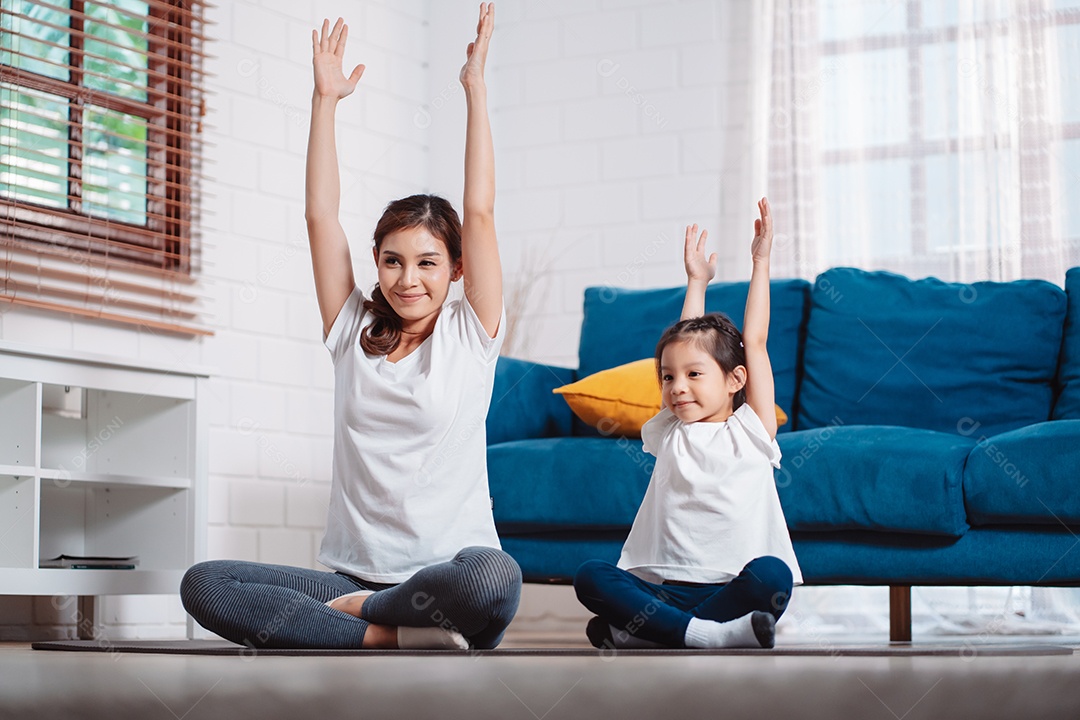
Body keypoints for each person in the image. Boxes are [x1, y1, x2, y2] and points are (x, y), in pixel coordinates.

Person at [181, 4, 522, 650]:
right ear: (376, 263)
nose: (407, 278)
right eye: (392, 261)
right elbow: (320, 216)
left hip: (449, 577)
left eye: (427, 262)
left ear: (456, 269)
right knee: (205, 582)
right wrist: (324, 102)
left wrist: (475, 89)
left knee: (492, 578)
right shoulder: (351, 330)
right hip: (350, 573)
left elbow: (479, 209)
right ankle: (381, 637)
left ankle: (369, 615)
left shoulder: (470, 334)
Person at [573, 199, 802, 650]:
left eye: (695, 376)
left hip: (732, 587)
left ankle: (657, 634)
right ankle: (706, 635)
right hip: (664, 587)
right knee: (590, 577)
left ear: (737, 379)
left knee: (772, 576)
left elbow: (754, 340)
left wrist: (761, 261)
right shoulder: (671, 430)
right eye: (668, 378)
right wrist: (696, 281)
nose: (678, 387)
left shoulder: (750, 431)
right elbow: (683, 341)